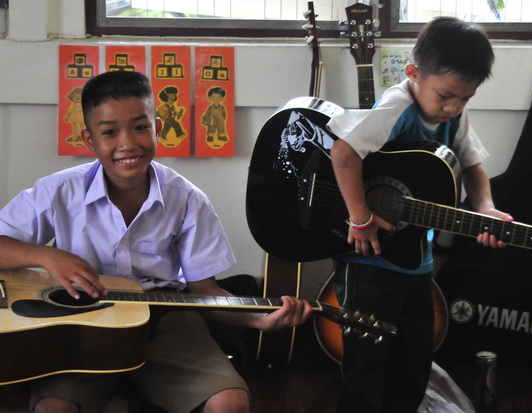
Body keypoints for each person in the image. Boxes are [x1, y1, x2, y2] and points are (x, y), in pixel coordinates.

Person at [0, 70, 312, 413]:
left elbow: (206, 293)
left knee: (230, 403)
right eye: (109, 132)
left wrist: (258, 320)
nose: (127, 144)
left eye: (140, 127)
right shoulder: (57, 191)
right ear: (89, 140)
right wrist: (47, 257)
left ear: (158, 128)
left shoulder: (188, 199)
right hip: (79, 325)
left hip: (166, 320)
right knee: (53, 408)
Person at [326, 16, 512, 413]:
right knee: (366, 362)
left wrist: (485, 209)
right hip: (370, 260)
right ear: (414, 74)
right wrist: (360, 217)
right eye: (446, 95)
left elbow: (472, 164)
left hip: (415, 261)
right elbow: (343, 152)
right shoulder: (398, 107)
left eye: (465, 99)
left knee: (415, 357)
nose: (454, 107)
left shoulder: (453, 113)